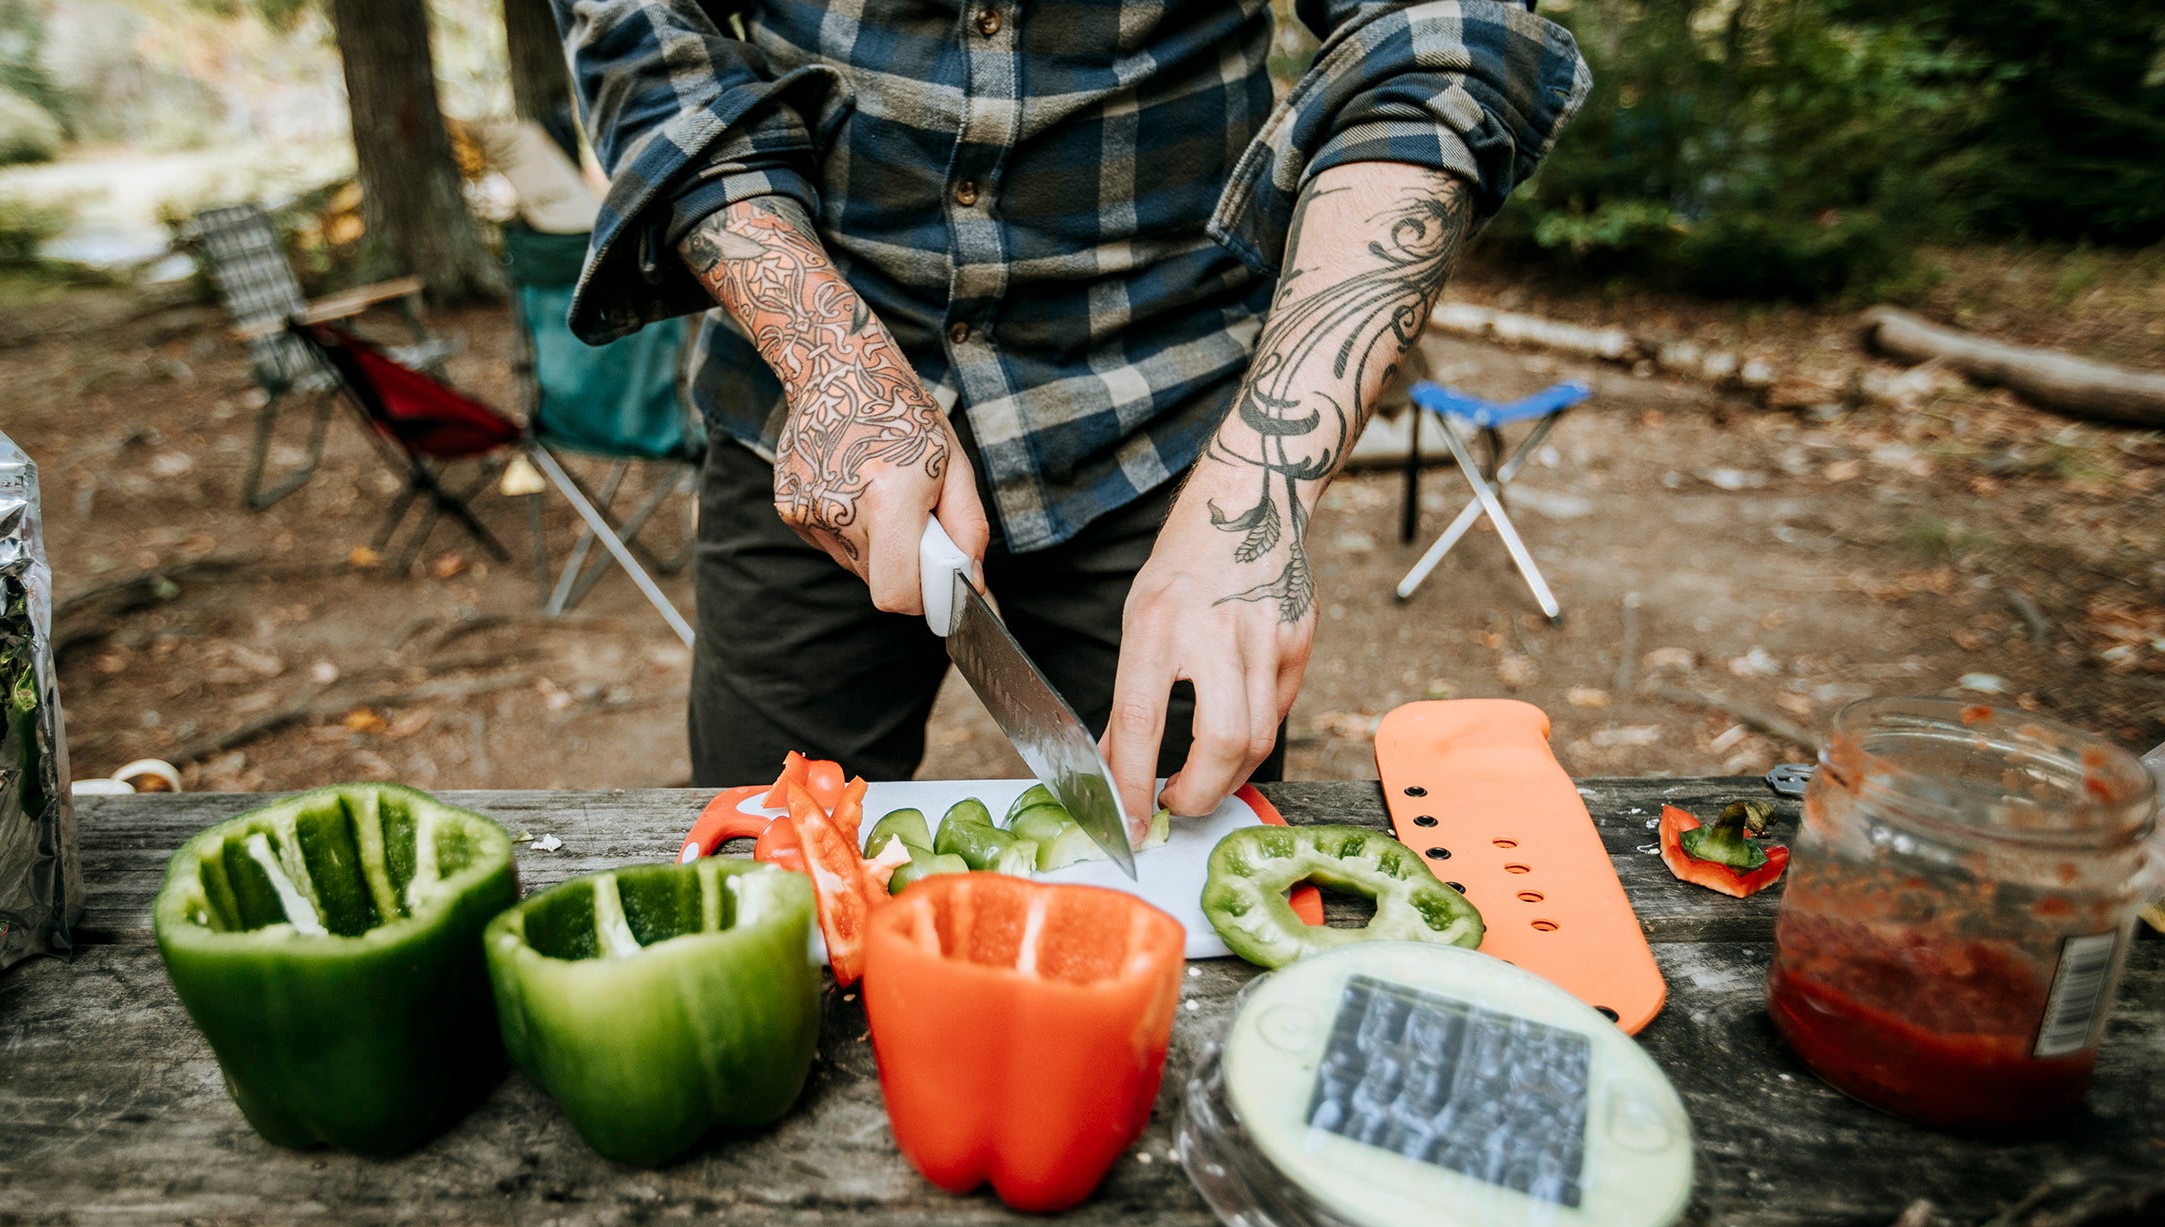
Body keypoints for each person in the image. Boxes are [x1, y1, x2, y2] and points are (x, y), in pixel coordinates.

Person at [561, 0, 1587, 828]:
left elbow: (1439, 36)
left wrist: (1257, 488)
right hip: (810, 420)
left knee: (1191, 848)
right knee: (766, 858)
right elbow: (646, 35)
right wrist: (831, 358)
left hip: (1170, 440)